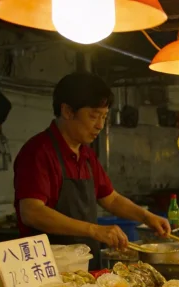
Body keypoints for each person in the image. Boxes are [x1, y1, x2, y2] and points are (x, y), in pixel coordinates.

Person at [13, 72, 170, 269]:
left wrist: (147, 217)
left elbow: (111, 199)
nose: (100, 125)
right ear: (67, 111)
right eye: (94, 116)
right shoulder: (38, 152)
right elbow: (32, 212)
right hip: (49, 268)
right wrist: (94, 230)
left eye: (104, 117)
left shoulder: (86, 154)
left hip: (84, 265)